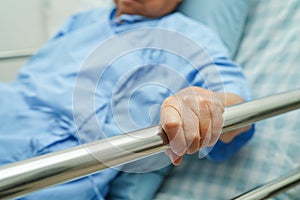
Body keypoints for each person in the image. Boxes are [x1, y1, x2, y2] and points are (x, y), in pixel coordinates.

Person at [0, 0, 254, 199]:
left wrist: (202, 102)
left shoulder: (188, 35)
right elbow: (27, 80)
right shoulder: (81, 21)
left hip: (51, 161)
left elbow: (234, 106)